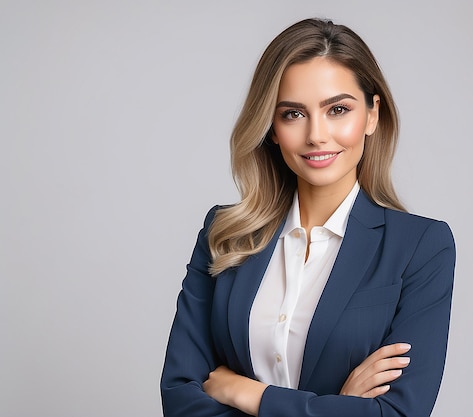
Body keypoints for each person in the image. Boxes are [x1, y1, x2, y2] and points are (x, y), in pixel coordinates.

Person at [160, 18, 455, 417]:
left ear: (371, 115)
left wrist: (249, 394)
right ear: (272, 128)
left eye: (338, 109)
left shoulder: (419, 248)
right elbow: (181, 399)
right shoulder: (224, 234)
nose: (317, 134)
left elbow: (399, 413)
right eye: (293, 114)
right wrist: (339, 407)